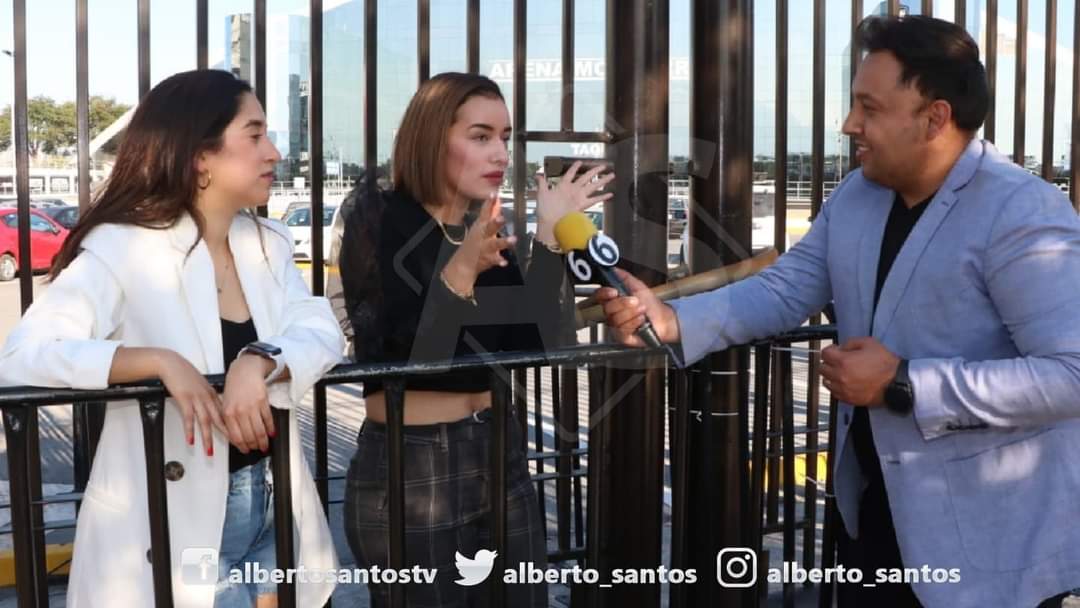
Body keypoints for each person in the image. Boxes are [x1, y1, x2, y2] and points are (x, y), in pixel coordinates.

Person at [599, 15, 1080, 608]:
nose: (849, 124)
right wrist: (672, 320)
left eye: (868, 108)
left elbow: (1071, 374)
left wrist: (904, 383)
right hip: (872, 518)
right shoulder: (858, 194)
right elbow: (784, 289)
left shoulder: (1021, 211)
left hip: (991, 545)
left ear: (935, 118)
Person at [0, 70, 345, 608]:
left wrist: (260, 360)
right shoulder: (122, 248)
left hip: (273, 499)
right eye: (254, 135)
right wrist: (158, 361)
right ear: (200, 156)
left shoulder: (269, 243)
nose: (274, 152)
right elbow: (24, 355)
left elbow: (321, 330)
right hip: (170, 524)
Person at [338, 72, 612, 607]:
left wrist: (548, 238)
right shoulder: (378, 216)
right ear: (431, 137)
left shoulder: (483, 225)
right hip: (414, 467)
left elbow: (538, 341)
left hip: (499, 449)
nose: (500, 152)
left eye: (505, 137)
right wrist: (461, 270)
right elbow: (408, 354)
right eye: (481, 135)